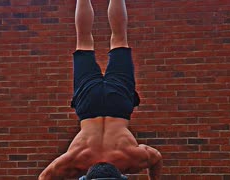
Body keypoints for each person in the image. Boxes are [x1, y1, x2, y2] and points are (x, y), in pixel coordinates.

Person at [38, 0, 162, 179]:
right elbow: (44, 177)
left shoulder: (129, 160)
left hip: (118, 107)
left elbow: (156, 159)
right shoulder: (76, 161)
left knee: (119, 39)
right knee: (84, 41)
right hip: (89, 107)